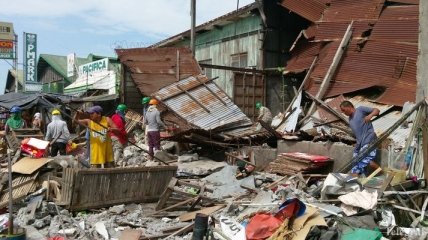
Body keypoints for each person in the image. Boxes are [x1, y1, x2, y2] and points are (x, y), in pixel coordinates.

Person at [340, 100, 381, 176]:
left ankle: (384, 172)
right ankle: (356, 184)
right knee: (354, 167)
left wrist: (370, 116)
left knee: (366, 162)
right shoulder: (350, 119)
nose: (343, 112)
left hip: (369, 140)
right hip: (359, 145)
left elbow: (377, 110)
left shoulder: (360, 109)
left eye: (343, 110)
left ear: (349, 107)